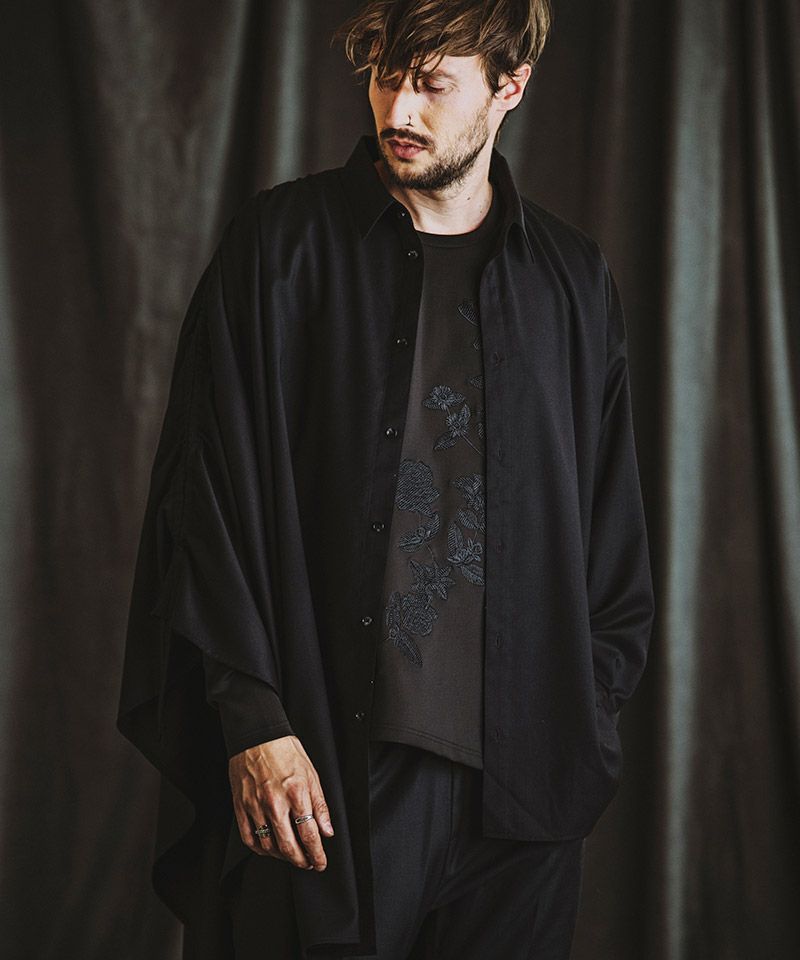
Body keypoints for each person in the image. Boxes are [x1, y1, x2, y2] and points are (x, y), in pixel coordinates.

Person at [117, 1, 655, 957]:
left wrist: (590, 707)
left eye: (434, 85)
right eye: (386, 77)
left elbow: (612, 526)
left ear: (510, 88)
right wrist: (253, 721)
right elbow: (204, 497)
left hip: (525, 798)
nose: (399, 109)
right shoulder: (281, 248)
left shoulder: (571, 280)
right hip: (328, 777)